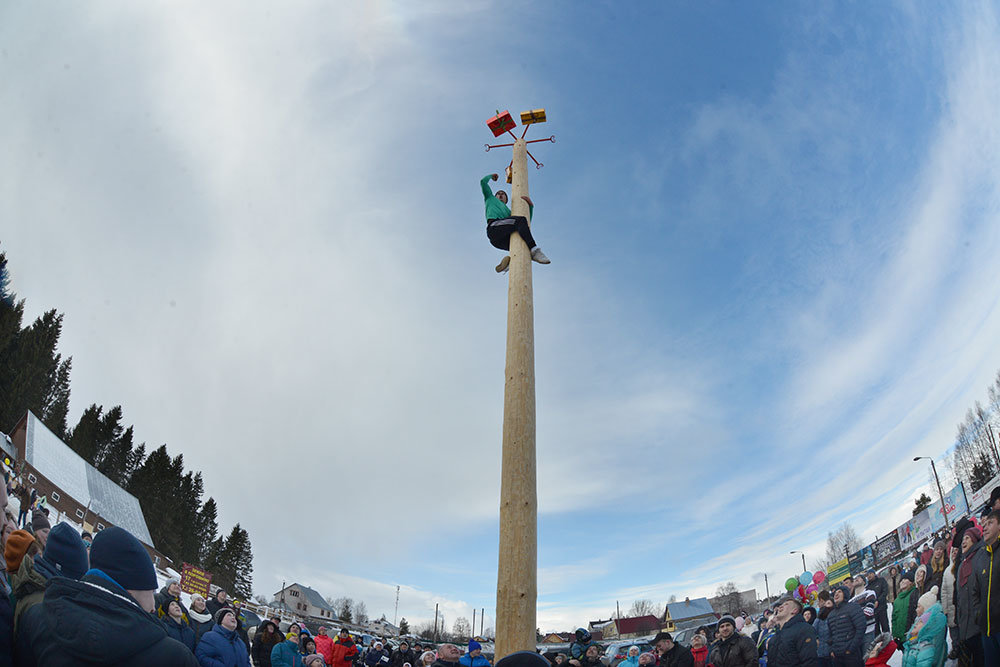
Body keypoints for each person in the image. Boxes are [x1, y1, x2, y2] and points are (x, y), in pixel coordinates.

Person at [15, 525, 199, 665]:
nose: (153, 605)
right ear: (130, 590)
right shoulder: (175, 657)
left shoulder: (37, 616)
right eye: (150, 591)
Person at [480, 173, 550, 273]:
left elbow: (526, 222)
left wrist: (530, 207)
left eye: (503, 194)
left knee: (522, 247)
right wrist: (491, 176)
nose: (500, 194)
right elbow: (483, 182)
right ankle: (535, 250)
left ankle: (510, 264)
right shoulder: (490, 198)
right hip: (494, 227)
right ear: (494, 196)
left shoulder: (508, 212)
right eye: (498, 193)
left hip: (500, 239)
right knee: (519, 221)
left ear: (506, 200)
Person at [970, 509, 1000, 666]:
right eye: (984, 524)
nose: (985, 527)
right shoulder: (980, 557)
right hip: (987, 630)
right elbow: (975, 592)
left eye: (990, 523)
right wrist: (979, 614)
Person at [900, 587, 946, 667]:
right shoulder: (920, 623)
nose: (916, 609)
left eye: (919, 607)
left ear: (926, 608)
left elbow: (936, 654)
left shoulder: (932, 631)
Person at [766, 598, 818, 667]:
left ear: (794, 610)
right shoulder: (775, 636)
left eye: (786, 604)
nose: (780, 607)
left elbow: (809, 662)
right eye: (781, 605)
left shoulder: (804, 630)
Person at [827, 584, 866, 666]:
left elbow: (861, 628)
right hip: (837, 656)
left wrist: (851, 649)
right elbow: (830, 635)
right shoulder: (831, 614)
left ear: (845, 594)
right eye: (835, 593)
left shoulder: (853, 607)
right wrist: (831, 650)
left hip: (851, 655)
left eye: (840, 592)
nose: (836, 594)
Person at [891, 573, 917, 643]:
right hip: (901, 638)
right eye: (901, 580)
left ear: (911, 582)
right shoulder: (897, 600)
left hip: (913, 634)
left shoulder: (915, 594)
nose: (902, 581)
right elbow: (894, 618)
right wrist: (895, 635)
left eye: (905, 579)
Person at [864, 570, 889, 634]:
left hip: (882, 608)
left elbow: (885, 591)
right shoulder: (867, 587)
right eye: (867, 575)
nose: (869, 576)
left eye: (870, 573)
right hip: (873, 611)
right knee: (876, 630)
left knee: (885, 627)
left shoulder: (881, 581)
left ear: (874, 574)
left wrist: (878, 600)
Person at [815, 592, 833, 667]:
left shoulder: (831, 613)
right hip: (822, 652)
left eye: (818, 601)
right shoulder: (820, 615)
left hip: (831, 652)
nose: (818, 604)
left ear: (821, 600)